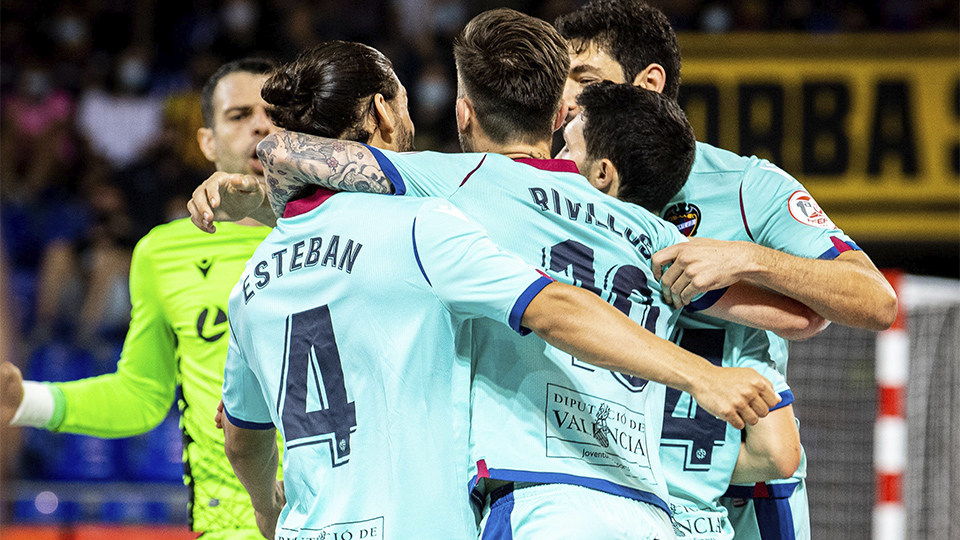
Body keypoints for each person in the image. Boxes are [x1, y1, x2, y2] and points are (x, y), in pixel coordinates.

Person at [192, 13, 822, 539]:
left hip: (533, 502)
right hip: (654, 508)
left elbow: (243, 434)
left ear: (464, 115)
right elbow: (796, 323)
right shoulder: (654, 231)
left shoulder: (450, 196)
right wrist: (744, 262)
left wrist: (266, 163)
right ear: (558, 113)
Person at [553, 2, 897, 538]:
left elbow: (875, 301)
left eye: (586, 79)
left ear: (649, 83)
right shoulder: (556, 183)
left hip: (736, 498)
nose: (569, 97)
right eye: (562, 81)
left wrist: (747, 257)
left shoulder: (745, 186)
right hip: (598, 487)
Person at [2, 58, 282, 540]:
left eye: (276, 113)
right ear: (207, 142)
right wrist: (27, 401)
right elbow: (143, 395)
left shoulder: (341, 226)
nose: (260, 124)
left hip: (342, 512)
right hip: (230, 525)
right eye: (238, 115)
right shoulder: (163, 251)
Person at [558, 81, 803, 539]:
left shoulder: (560, 252)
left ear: (602, 173)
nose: (555, 161)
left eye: (566, 147)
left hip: (589, 506)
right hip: (699, 521)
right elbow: (778, 453)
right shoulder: (704, 278)